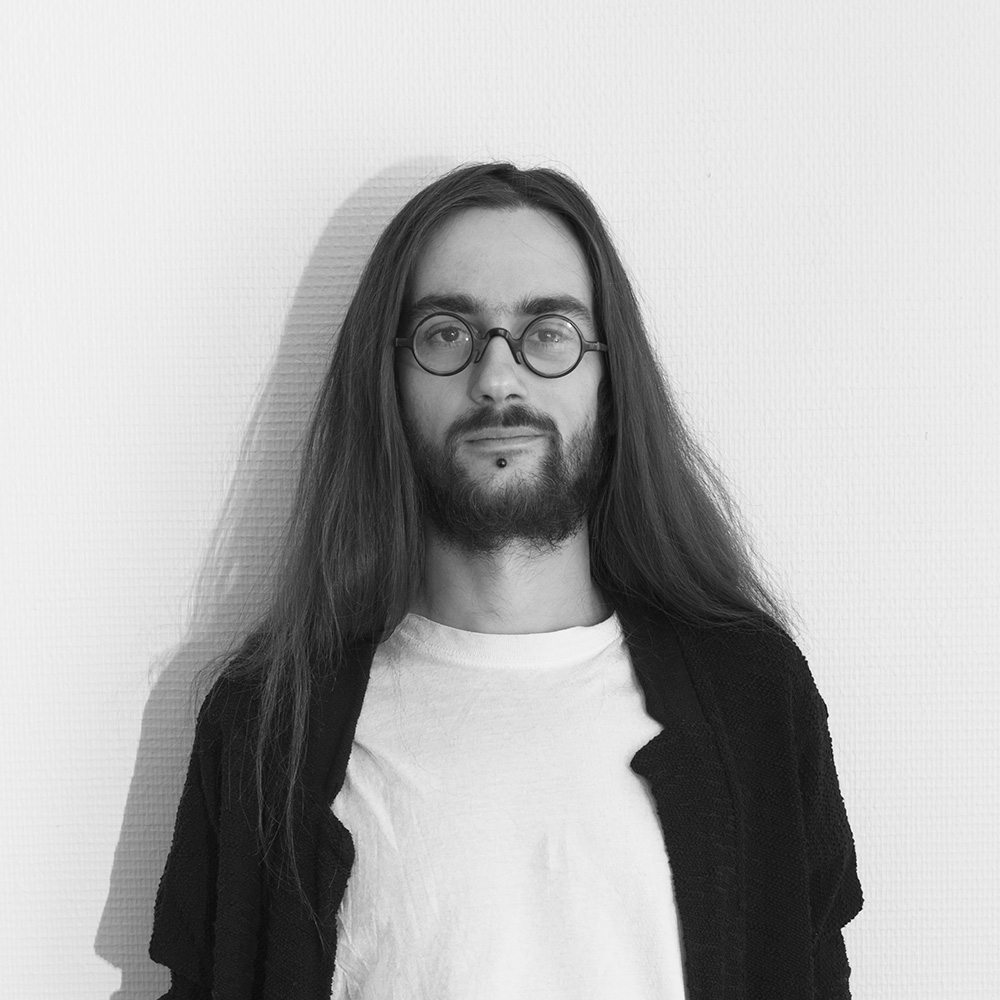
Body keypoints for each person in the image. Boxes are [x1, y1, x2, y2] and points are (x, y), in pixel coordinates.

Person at [150, 163, 863, 999]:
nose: (496, 378)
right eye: (446, 333)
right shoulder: (270, 719)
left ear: (610, 380)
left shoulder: (754, 698)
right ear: (389, 380)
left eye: (548, 332)